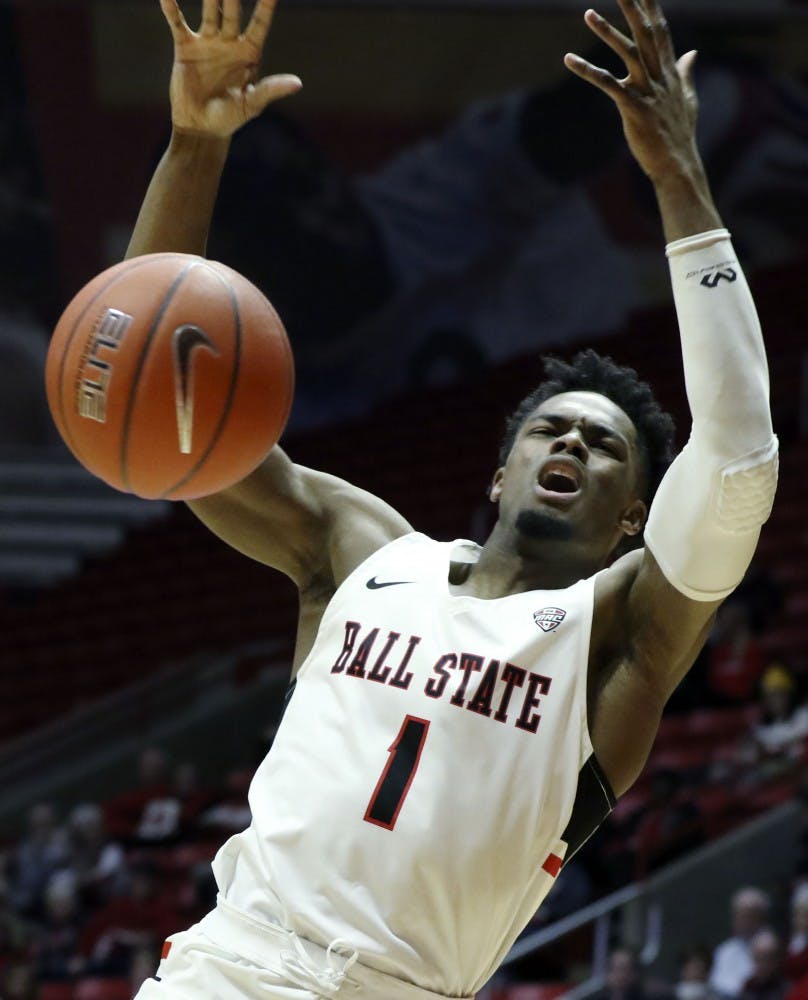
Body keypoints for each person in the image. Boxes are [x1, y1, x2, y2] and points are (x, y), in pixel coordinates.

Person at [127, 0, 778, 996]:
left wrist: (676, 177)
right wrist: (194, 145)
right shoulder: (361, 550)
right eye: (549, 427)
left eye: (603, 445)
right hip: (231, 964)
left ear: (633, 517)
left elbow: (734, 455)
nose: (570, 438)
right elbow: (157, 389)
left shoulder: (618, 632)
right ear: (498, 470)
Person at [710, 888, 772, 999]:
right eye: (737, 916)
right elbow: (716, 984)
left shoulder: (769, 946)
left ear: (760, 917)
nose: (740, 921)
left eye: (746, 916)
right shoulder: (725, 949)